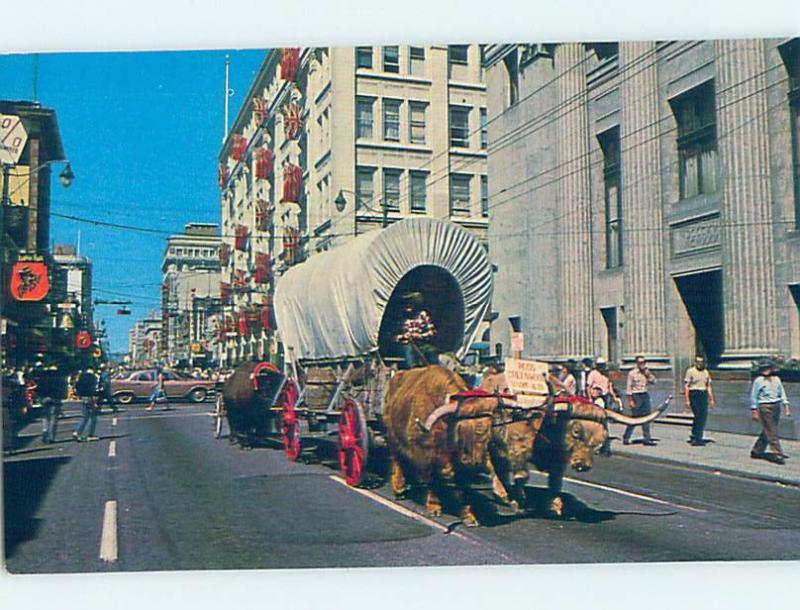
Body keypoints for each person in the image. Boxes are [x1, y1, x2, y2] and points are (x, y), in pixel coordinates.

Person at [750, 360, 791, 465]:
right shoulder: (758, 381)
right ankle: (778, 453)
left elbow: (782, 392)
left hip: (776, 405)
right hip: (765, 406)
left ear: (771, 369)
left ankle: (757, 449)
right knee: (772, 431)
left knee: (769, 429)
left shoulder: (776, 379)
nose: (766, 370)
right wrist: (754, 410)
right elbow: (753, 396)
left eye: (768, 368)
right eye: (763, 368)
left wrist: (786, 406)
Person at [395, 292, 438, 369]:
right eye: (406, 303)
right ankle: (412, 370)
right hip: (407, 344)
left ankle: (435, 370)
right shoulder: (400, 317)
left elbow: (432, 332)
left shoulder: (422, 315)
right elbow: (392, 336)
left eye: (411, 303)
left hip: (422, 343)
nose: (408, 305)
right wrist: (403, 336)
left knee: (431, 351)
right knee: (408, 352)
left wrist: (420, 336)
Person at [587, 358, 620, 456]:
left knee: (604, 421)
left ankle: (603, 445)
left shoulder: (606, 374)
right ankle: (597, 445)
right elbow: (588, 386)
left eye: (602, 365)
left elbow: (609, 387)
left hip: (605, 398)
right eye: (600, 365)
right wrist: (589, 398)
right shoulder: (593, 373)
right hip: (597, 398)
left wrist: (614, 397)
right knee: (598, 421)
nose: (602, 367)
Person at [623, 355, 657, 446]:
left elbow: (654, 381)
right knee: (635, 418)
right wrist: (630, 400)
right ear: (637, 363)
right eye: (641, 363)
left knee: (646, 417)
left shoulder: (646, 372)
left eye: (644, 362)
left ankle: (647, 438)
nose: (643, 364)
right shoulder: (632, 373)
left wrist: (648, 374)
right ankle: (626, 437)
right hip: (636, 395)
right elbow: (629, 388)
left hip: (644, 394)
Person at [684, 355, 716, 446]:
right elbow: (686, 386)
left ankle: (698, 435)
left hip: (703, 394)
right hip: (694, 394)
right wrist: (687, 400)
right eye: (697, 362)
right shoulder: (690, 371)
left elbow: (708, 386)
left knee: (703, 415)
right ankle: (696, 436)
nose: (699, 364)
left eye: (701, 362)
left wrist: (711, 399)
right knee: (698, 415)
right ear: (695, 362)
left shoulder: (705, 372)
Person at [36, 365, 68, 443]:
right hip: (56, 398)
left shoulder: (43, 378)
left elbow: (39, 388)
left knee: (46, 417)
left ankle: (45, 431)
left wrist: (40, 398)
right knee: (54, 418)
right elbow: (64, 388)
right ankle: (52, 437)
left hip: (45, 398)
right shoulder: (60, 378)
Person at [73, 368, 100, 442]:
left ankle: (77, 432)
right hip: (90, 398)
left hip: (83, 397)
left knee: (85, 416)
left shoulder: (81, 378)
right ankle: (90, 434)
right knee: (93, 417)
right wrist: (95, 402)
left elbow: (77, 387)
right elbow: (94, 390)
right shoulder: (93, 378)